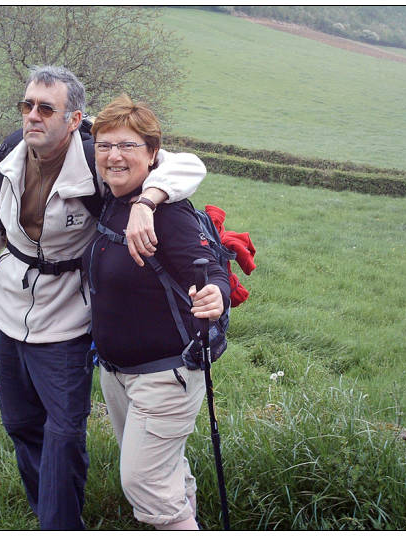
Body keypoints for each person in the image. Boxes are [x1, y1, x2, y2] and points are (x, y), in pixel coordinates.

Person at [0, 66, 206, 529]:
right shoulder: (7, 155)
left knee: (62, 433)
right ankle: (50, 512)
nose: (31, 116)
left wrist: (145, 202)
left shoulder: (98, 156)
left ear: (75, 119)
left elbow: (187, 165)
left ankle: (60, 524)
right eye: (27, 105)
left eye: (45, 108)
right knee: (20, 424)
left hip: (67, 319)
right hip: (8, 309)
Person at [82, 94, 229, 530]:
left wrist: (216, 294)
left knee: (144, 483)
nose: (114, 156)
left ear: (153, 155)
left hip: (166, 376)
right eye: (105, 146)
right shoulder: (111, 198)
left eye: (128, 146)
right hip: (117, 374)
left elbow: (211, 268)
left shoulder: (168, 213)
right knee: (165, 475)